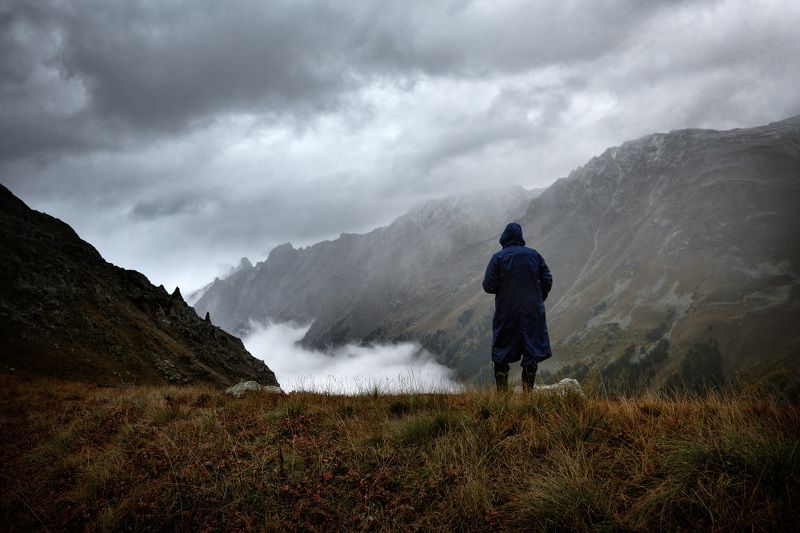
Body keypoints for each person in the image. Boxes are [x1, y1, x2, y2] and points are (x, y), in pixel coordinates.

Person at [482, 223, 553, 391]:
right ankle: (528, 394)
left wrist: (504, 286)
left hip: (507, 312)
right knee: (531, 350)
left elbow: (488, 286)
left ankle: (502, 396)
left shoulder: (498, 258)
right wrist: (538, 298)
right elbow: (548, 280)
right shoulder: (535, 255)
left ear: (504, 238)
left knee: (501, 350)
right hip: (533, 312)